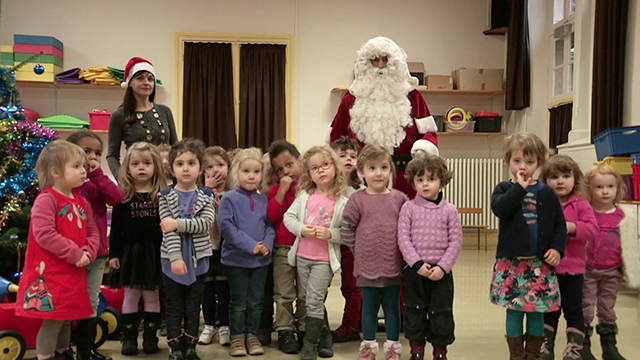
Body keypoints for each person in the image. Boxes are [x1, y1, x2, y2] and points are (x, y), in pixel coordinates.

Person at [15, 140, 99, 360]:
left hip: (73, 273)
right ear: (55, 171)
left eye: (84, 166)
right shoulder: (46, 200)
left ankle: (63, 353)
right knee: (53, 320)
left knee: (66, 319)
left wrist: (88, 252)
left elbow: (93, 230)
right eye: (77, 166)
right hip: (51, 274)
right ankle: (46, 356)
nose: (84, 170)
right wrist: (75, 253)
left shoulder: (82, 202)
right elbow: (44, 234)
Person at [329, 36, 439, 199]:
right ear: (366, 64)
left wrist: (423, 149)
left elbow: (430, 134)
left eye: (385, 59)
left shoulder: (412, 97)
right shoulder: (351, 99)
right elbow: (336, 138)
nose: (380, 65)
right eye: (374, 60)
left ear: (395, 63)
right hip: (362, 181)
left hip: (405, 180)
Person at [490, 133, 566, 360]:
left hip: (539, 265)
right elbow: (501, 209)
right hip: (512, 265)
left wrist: (556, 248)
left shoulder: (547, 193)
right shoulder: (503, 189)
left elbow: (559, 224)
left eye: (530, 162)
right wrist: (519, 188)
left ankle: (533, 355)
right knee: (514, 310)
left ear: (539, 164)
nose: (523, 166)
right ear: (507, 161)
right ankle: (516, 355)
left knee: (537, 311)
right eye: (517, 161)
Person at [341, 145, 409, 360]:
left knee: (392, 309)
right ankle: (368, 348)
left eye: (383, 167)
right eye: (372, 168)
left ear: (391, 171)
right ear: (361, 172)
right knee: (368, 309)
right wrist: (358, 249)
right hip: (366, 267)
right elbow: (346, 228)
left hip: (393, 267)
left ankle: (392, 348)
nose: (378, 173)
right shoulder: (357, 200)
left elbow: (408, 227)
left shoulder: (399, 199)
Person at [284, 145, 348, 360]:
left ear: (335, 168)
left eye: (325, 165)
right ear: (308, 174)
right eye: (314, 168)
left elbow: (348, 233)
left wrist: (330, 234)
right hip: (303, 256)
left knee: (313, 299)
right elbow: (288, 218)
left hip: (323, 260)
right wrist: (301, 229)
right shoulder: (303, 196)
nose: (320, 170)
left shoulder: (342, 202)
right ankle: (326, 338)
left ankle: (310, 345)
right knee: (311, 298)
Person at [397, 154, 462, 360]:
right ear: (413, 182)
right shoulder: (408, 208)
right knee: (414, 310)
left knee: (441, 311)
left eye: (431, 179)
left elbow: (455, 242)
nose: (425, 184)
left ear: (442, 181)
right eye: (420, 179)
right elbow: (403, 238)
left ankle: (440, 351)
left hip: (441, 273)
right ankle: (416, 350)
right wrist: (416, 264)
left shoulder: (450, 210)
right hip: (416, 270)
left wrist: (443, 267)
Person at [68, 130, 124, 360]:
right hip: (70, 255)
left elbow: (117, 197)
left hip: (97, 253)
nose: (91, 157)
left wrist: (98, 174)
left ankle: (86, 349)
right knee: (69, 300)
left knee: (91, 300)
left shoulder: (98, 184)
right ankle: (63, 348)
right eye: (86, 151)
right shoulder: (68, 184)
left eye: (97, 153)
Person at [158, 139, 215, 360]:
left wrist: (178, 223)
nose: (186, 168)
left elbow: (205, 223)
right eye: (180, 164)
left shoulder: (206, 196)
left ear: (200, 167)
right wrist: (175, 258)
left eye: (191, 163)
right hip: (172, 261)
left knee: (193, 306)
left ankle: (190, 347)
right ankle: (175, 348)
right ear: (172, 169)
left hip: (199, 261)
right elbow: (167, 230)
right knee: (174, 306)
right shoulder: (164, 197)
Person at [108, 142, 167, 355]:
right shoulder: (122, 198)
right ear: (128, 168)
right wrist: (114, 254)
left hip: (155, 253)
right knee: (131, 296)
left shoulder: (162, 196)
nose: (141, 167)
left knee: (151, 296)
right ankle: (129, 338)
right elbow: (116, 230)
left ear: (155, 167)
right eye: (135, 163)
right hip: (130, 253)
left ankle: (151, 338)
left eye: (146, 163)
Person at [538, 155, 598, 360]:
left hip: (573, 269)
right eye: (554, 177)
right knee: (548, 310)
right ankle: (546, 346)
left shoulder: (581, 205)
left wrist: (572, 227)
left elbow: (592, 229)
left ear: (575, 179)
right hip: (548, 269)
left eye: (566, 176)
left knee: (574, 309)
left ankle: (574, 348)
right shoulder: (542, 204)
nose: (560, 181)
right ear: (545, 181)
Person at [219, 148, 275, 356]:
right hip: (237, 260)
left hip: (260, 261)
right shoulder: (229, 199)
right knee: (238, 301)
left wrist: (266, 245)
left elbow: (270, 225)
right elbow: (227, 227)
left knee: (256, 300)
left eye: (256, 171)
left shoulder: (263, 200)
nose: (251, 176)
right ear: (237, 172)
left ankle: (252, 335)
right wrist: (250, 245)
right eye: (246, 171)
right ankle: (237, 337)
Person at [581, 164, 639, 360]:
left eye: (610, 187)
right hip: (587, 271)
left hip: (612, 272)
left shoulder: (623, 215)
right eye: (599, 187)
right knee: (586, 307)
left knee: (607, 307)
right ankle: (583, 347)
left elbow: (630, 244)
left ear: (617, 188)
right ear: (590, 189)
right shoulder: (586, 212)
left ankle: (609, 347)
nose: (605, 192)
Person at [107, 57, 178, 179]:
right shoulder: (119, 115)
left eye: (150, 79)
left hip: (165, 179)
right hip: (137, 179)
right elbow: (112, 155)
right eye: (140, 78)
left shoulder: (165, 111)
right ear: (129, 83)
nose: (146, 82)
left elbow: (176, 147)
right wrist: (122, 179)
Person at [267, 139, 306, 354]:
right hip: (283, 247)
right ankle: (284, 329)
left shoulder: (310, 186)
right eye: (279, 169)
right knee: (283, 293)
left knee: (304, 292)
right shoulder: (275, 190)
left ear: (300, 160)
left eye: (289, 165)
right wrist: (282, 190)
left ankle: (304, 328)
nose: (286, 172)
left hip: (307, 248)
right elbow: (272, 215)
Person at [329, 136, 363, 344]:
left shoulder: (360, 189)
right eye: (342, 156)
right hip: (331, 241)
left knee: (351, 286)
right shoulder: (329, 188)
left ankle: (350, 325)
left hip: (352, 246)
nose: (348, 159)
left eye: (352, 156)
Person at [199, 146, 233, 346]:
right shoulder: (199, 192)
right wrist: (206, 192)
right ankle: (209, 325)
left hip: (225, 247)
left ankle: (225, 326)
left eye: (220, 165)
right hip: (205, 246)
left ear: (229, 167)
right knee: (207, 287)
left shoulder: (232, 192)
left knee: (223, 287)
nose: (216, 170)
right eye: (210, 166)